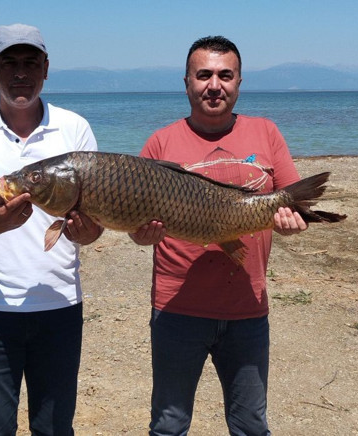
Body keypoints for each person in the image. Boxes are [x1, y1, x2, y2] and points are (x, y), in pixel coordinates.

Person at [129, 35, 308, 435]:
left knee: (250, 424)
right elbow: (139, 233)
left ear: (239, 82)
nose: (215, 85)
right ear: (187, 82)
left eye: (225, 75)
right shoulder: (160, 142)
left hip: (247, 307)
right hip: (176, 310)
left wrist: (291, 221)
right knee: (169, 424)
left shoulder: (266, 133)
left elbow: (292, 206)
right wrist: (143, 235)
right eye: (204, 75)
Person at [0, 23, 103, 435]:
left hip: (59, 307)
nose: (21, 72)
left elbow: (93, 228)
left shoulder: (74, 129)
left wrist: (83, 231)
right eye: (10, 62)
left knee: (55, 429)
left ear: (46, 68)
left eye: (30, 62)